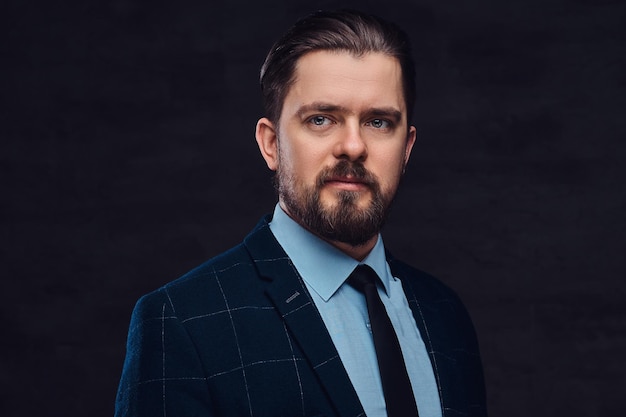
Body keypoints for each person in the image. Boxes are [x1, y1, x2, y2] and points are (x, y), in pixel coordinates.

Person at [115, 9, 487, 417]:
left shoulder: (444, 314)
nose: (353, 146)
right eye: (321, 119)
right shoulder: (184, 321)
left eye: (378, 122)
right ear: (271, 144)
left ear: (407, 148)